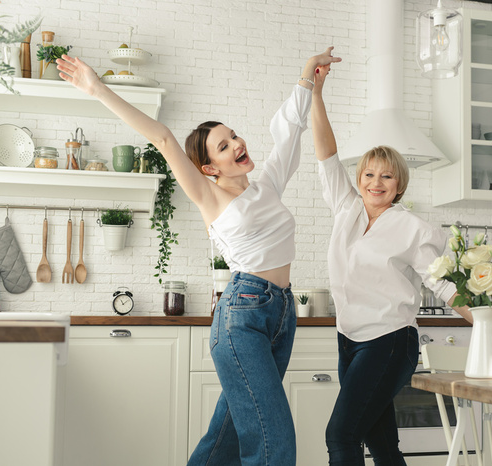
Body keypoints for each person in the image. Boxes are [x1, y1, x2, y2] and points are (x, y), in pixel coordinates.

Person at [57, 47, 341, 466]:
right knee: (273, 442)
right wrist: (97, 88)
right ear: (209, 168)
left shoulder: (267, 186)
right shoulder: (209, 197)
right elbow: (163, 138)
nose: (237, 144)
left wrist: (307, 80)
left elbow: (290, 131)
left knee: (224, 439)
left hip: (281, 313)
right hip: (242, 316)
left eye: (234, 136)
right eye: (224, 146)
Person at [311, 64, 473, 465]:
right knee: (380, 442)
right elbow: (326, 154)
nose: (375, 182)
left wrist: (483, 323)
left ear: (399, 184)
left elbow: (443, 284)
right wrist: (316, 94)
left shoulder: (412, 228)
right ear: (359, 178)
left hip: (389, 339)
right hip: (349, 338)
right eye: (368, 174)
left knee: (341, 435)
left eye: (386, 176)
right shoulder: (346, 208)